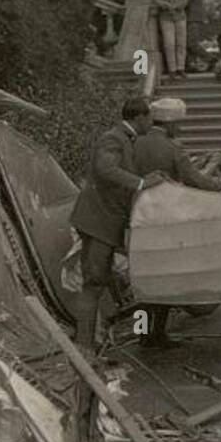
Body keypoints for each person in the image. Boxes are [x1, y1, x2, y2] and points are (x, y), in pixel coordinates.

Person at [70, 96, 166, 348]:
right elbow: (105, 170)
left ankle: (88, 344)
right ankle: (84, 348)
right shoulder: (114, 138)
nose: (152, 123)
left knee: (97, 282)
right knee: (92, 284)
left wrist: (144, 178)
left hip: (103, 221)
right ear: (139, 118)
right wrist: (143, 183)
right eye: (150, 118)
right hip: (98, 221)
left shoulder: (125, 139)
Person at [132, 97, 221, 347]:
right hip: (164, 219)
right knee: (165, 280)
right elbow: (196, 181)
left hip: (136, 216)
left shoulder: (134, 141)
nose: (181, 128)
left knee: (142, 281)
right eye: (180, 124)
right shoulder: (172, 148)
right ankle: (158, 335)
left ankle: (143, 333)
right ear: (172, 124)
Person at [151, 0, 187, 83]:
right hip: (165, 16)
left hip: (179, 15)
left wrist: (176, 6)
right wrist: (166, 5)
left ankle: (181, 68)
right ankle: (172, 69)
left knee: (181, 42)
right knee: (169, 43)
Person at [181, 0, 208, 72]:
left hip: (193, 18)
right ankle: (190, 65)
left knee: (190, 43)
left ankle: (210, 59)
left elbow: (184, 1)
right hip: (192, 18)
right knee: (188, 43)